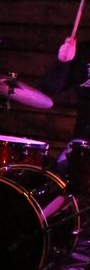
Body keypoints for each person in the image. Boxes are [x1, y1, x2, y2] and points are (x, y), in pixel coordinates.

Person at [43, 34, 90, 176]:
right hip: (83, 141)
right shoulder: (83, 51)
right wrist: (63, 62)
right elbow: (51, 88)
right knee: (57, 176)